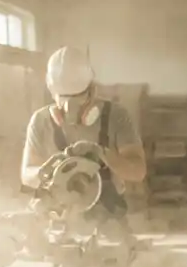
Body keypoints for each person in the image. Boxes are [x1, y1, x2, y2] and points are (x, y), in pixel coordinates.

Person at [21, 46, 146, 228]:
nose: (69, 107)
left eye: (78, 97)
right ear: (51, 89)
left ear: (92, 90)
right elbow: (26, 175)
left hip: (107, 220)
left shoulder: (115, 116)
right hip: (57, 220)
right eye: (63, 98)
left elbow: (138, 172)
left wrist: (103, 153)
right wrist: (43, 172)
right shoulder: (41, 121)